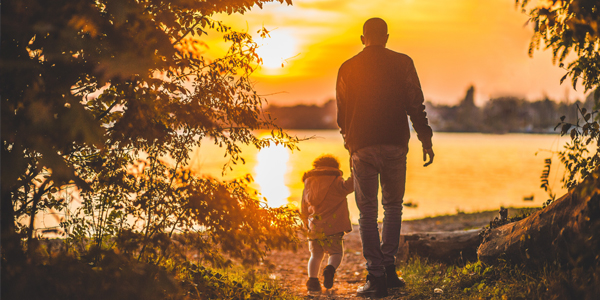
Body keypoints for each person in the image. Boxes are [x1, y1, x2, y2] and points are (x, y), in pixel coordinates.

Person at [336, 17, 435, 298]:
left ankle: (376, 276)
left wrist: (349, 142)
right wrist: (425, 139)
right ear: (387, 37)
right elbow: (416, 104)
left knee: (367, 213)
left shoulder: (347, 67)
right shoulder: (403, 63)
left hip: (362, 146)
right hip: (394, 143)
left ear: (362, 38)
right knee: (393, 207)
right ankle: (389, 270)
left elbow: (342, 112)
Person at [300, 154, 354, 292]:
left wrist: (305, 223)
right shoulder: (336, 181)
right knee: (335, 253)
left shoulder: (308, 183)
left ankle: (312, 281)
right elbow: (351, 185)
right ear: (335, 168)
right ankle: (330, 269)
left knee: (315, 255)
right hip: (334, 227)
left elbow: (303, 207)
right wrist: (355, 167)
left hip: (314, 227)